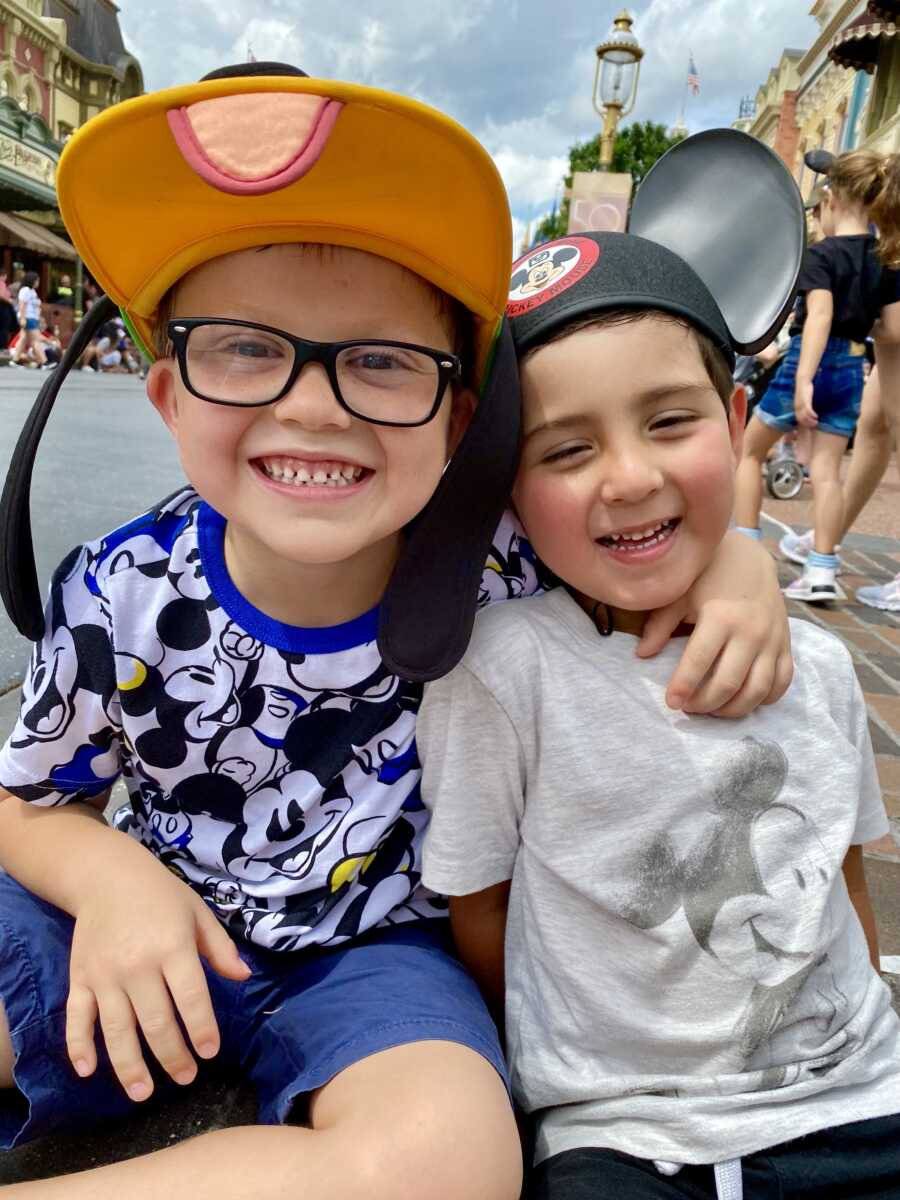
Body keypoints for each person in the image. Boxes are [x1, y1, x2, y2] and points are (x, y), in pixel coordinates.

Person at [0, 74, 790, 1199]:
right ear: (170, 395)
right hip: (153, 920)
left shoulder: (507, 564)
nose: (314, 405)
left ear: (459, 417)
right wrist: (115, 883)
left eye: (379, 360)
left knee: (457, 1155)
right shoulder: (121, 587)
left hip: (378, 960)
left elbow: (655, 541)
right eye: (242, 347)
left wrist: (745, 565)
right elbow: (27, 799)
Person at [418, 207, 900, 1197]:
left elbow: (845, 881)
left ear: (732, 424)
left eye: (670, 422)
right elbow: (483, 909)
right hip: (626, 1129)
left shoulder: (816, 671)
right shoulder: (503, 670)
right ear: (510, 483)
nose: (630, 478)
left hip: (861, 1096)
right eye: (564, 451)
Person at [734, 148, 900, 603]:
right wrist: (861, 322)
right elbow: (894, 328)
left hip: (815, 359)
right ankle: (823, 568)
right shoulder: (884, 259)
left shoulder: (820, 254)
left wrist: (804, 377)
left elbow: (820, 314)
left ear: (830, 198)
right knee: (827, 470)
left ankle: (744, 548)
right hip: (852, 363)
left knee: (749, 453)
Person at [11, 270, 46, 368]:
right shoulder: (25, 290)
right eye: (37, 281)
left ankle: (15, 360)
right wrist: (22, 318)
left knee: (23, 339)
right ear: (32, 280)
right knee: (36, 340)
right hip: (28, 317)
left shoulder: (32, 292)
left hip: (32, 317)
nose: (38, 283)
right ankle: (44, 361)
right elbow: (22, 304)